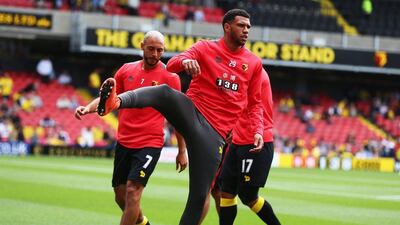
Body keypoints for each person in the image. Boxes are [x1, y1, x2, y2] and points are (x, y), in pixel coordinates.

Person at [94, 9, 264, 225]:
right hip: (192, 111)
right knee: (164, 92)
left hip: (214, 133)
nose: (246, 30)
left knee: (199, 197)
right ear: (227, 27)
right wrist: (185, 61)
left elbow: (255, 103)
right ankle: (116, 102)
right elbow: (172, 64)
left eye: (248, 27)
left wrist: (257, 130)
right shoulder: (205, 47)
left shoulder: (254, 63)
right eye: (242, 25)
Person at [74, 30, 188, 225]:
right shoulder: (126, 70)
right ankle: (143, 222)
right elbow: (107, 99)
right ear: (142, 46)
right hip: (124, 142)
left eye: (160, 50)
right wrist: (87, 109)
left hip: (150, 143)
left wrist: (182, 150)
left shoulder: (171, 77)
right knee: (120, 197)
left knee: (133, 192)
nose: (155, 54)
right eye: (151, 49)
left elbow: (177, 117)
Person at [218, 69, 281, 225]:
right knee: (226, 192)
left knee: (248, 196)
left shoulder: (255, 73)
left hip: (256, 141)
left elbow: (255, 106)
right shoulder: (238, 71)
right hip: (238, 141)